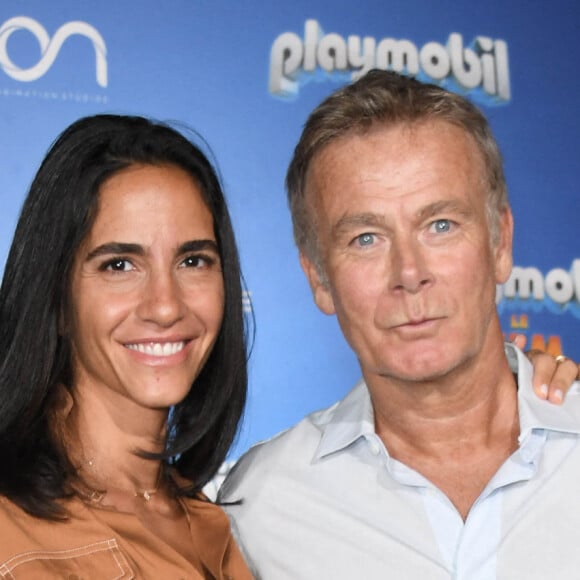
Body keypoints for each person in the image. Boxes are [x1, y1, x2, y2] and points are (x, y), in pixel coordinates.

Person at [219, 70, 580, 579]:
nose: (409, 274)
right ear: (318, 278)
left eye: (440, 225)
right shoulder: (260, 505)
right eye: (366, 238)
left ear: (500, 244)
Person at [0, 115, 253, 578]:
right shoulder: (11, 531)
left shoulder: (220, 520)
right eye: (119, 265)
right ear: (55, 299)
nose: (164, 306)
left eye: (193, 260)